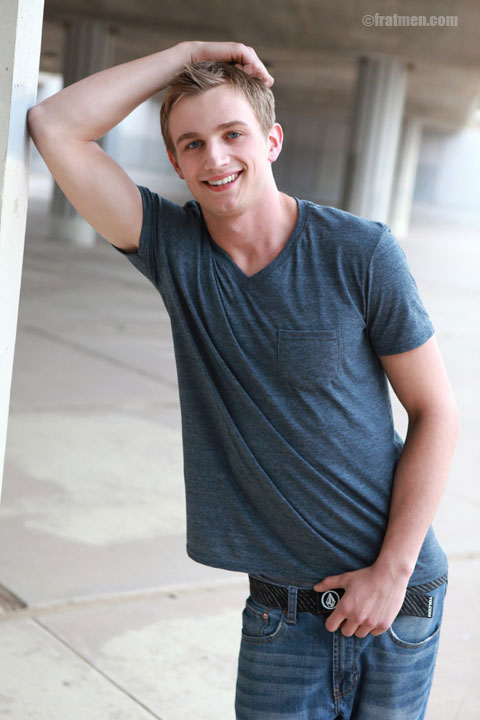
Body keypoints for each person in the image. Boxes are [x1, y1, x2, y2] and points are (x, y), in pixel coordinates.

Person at [27, 40, 459, 719]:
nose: (215, 158)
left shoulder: (359, 252)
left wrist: (391, 573)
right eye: (192, 144)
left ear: (272, 141)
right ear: (175, 161)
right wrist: (187, 55)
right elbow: (54, 125)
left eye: (233, 134)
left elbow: (437, 412)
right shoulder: (174, 251)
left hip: (396, 602)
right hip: (280, 614)